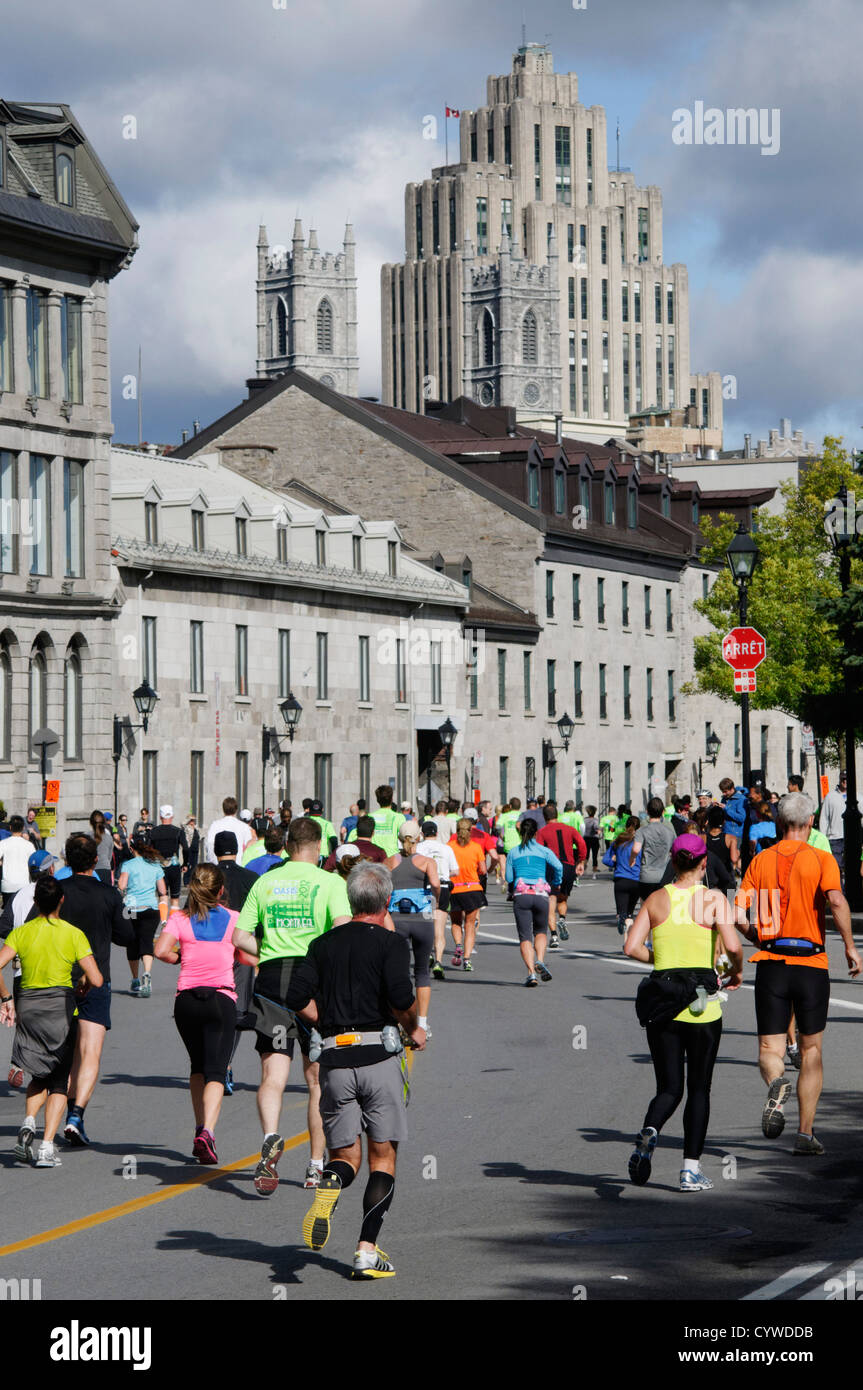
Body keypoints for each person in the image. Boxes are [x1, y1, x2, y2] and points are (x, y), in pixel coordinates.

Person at [288, 861, 425, 1279]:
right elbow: (402, 997)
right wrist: (414, 1028)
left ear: (350, 900)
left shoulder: (323, 944)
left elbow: (295, 995)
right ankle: (366, 1249)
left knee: (346, 1157)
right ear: (385, 901)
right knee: (382, 1158)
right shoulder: (390, 943)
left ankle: (330, 1181)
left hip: (334, 1060)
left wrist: (324, 1019)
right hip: (378, 1058)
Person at [737, 792, 861, 1155]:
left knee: (768, 1048)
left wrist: (754, 935)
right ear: (810, 823)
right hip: (811, 964)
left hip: (772, 962)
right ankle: (805, 1133)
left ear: (779, 823)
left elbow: (737, 910)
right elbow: (836, 901)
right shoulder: (821, 858)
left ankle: (777, 1082)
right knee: (811, 1050)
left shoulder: (760, 860)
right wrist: (851, 947)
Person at [236, 817, 351, 1195]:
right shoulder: (331, 882)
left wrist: (268, 949)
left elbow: (240, 936)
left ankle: (271, 1135)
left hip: (272, 981)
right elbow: (342, 930)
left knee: (273, 1076)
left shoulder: (265, 881)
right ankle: (316, 1165)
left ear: (286, 847)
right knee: (316, 1078)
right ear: (317, 847)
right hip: (312, 982)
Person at [624, 835, 744, 1191]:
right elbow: (734, 945)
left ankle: (650, 1130)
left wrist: (661, 962)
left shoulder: (656, 899)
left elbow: (631, 946)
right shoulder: (712, 899)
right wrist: (734, 971)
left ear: (673, 863)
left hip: (663, 1000)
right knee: (700, 1089)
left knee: (669, 1087)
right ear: (704, 863)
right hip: (701, 1003)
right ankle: (690, 1170)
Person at [155, 864, 260, 1164]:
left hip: (186, 1001)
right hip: (219, 999)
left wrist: (180, 957)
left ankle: (200, 1126)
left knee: (198, 1066)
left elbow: (162, 950)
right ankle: (208, 1134)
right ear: (222, 890)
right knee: (217, 1069)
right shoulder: (233, 920)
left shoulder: (179, 919)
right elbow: (249, 956)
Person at [0, 876, 102, 1168]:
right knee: (58, 1080)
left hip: (28, 1006)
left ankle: (29, 1121)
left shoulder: (22, 933)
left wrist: (6, 997)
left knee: (37, 1075)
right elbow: (96, 978)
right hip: (61, 1010)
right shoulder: (72, 934)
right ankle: (46, 1147)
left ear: (35, 902)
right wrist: (82, 979)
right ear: (62, 900)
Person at [53, 835, 132, 1146]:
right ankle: (76, 1115)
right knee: (90, 1052)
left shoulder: (59, 892)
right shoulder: (109, 894)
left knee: (65, 1052)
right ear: (95, 861)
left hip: (61, 978)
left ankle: (57, 1115)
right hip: (96, 978)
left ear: (68, 860)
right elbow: (125, 936)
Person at [212, 831, 259, 1095]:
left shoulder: (206, 875)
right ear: (238, 849)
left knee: (212, 1004)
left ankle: (215, 1062)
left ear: (216, 850)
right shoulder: (250, 877)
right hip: (241, 947)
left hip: (210, 948)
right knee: (237, 1007)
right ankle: (227, 1063)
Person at [385, 823, 440, 1037]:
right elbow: (435, 884)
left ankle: (400, 1020)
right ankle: (423, 1023)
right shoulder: (427, 861)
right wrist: (435, 898)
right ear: (419, 837)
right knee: (422, 971)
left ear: (399, 838)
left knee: (398, 971)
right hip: (422, 916)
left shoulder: (390, 861)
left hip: (396, 916)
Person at [506, 817, 562, 987]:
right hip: (540, 893)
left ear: (520, 832)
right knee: (540, 932)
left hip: (522, 894)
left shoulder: (514, 852)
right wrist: (556, 882)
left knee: (525, 936)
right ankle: (540, 960)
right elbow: (558, 866)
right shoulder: (544, 851)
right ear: (536, 832)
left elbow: (508, 877)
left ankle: (531, 973)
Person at [117, 835, 167, 997]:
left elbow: (122, 885)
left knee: (132, 942)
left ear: (132, 849)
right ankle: (147, 973)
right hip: (151, 908)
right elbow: (162, 891)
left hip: (132, 908)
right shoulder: (155, 865)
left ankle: (135, 978)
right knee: (146, 941)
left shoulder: (128, 864)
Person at [536, 802, 587, 945]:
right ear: (557, 815)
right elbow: (581, 843)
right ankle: (562, 919)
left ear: (544, 817)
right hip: (569, 867)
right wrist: (581, 861)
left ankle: (553, 936)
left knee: (551, 901)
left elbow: (539, 851)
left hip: (552, 867)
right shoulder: (569, 829)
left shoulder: (543, 832)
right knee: (563, 899)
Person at [418, 821, 459, 981]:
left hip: (426, 888)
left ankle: (427, 954)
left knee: (426, 924)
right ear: (436, 832)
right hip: (443, 887)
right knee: (439, 929)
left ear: (422, 833)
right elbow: (455, 870)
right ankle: (439, 961)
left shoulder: (419, 848)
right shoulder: (446, 848)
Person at [448, 818, 489, 972]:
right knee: (470, 925)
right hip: (472, 888)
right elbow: (483, 870)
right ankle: (467, 959)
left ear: (456, 831)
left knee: (456, 922)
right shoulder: (476, 847)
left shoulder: (449, 847)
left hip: (455, 889)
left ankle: (458, 944)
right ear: (470, 831)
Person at [630, 795, 676, 912]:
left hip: (647, 875)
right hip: (664, 876)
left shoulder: (642, 831)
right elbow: (675, 850)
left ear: (647, 812)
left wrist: (632, 859)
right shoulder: (669, 832)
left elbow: (636, 849)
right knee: (661, 910)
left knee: (646, 909)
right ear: (662, 812)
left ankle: (647, 929)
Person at [603, 816, 643, 935]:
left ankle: (621, 918)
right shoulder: (640, 843)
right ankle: (627, 943)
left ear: (626, 826)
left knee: (622, 912)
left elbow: (606, 860)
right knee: (630, 914)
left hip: (621, 879)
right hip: (636, 880)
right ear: (639, 828)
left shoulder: (619, 840)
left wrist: (616, 862)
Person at [148, 806, 188, 910]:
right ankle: (173, 924)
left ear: (160, 816)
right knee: (175, 899)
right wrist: (185, 864)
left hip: (159, 867)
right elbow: (186, 849)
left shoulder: (153, 832)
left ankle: (164, 922)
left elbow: (147, 849)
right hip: (174, 866)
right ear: (172, 816)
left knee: (162, 897)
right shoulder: (178, 831)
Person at [205, 796, 253, 865]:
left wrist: (213, 863)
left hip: (218, 866)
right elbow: (248, 848)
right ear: (236, 810)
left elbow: (209, 845)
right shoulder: (244, 827)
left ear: (223, 809)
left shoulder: (215, 825)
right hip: (238, 865)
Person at [0, 817, 36, 908]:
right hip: (24, 884)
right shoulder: (29, 845)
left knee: (8, 915)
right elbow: (34, 863)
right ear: (23, 827)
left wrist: (2, 862)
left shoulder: (3, 843)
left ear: (10, 827)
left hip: (7, 885)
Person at [818, 773, 847, 872]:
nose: (845, 781)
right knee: (836, 868)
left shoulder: (857, 797)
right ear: (840, 779)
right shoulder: (830, 797)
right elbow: (824, 818)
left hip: (852, 838)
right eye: (843, 779)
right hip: (835, 838)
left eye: (847, 779)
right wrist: (823, 837)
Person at [582, 806, 601, 876]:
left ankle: (584, 866)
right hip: (594, 838)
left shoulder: (584, 820)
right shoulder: (595, 820)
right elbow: (596, 827)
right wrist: (598, 830)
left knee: (586, 855)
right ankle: (594, 868)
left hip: (586, 838)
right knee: (594, 855)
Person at [184, 816, 200, 884]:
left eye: (193, 820)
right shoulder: (186, 827)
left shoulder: (196, 828)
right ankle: (186, 881)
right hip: (189, 848)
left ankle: (192, 880)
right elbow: (182, 824)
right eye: (191, 820)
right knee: (188, 865)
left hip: (195, 849)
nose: (192, 822)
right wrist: (188, 819)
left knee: (194, 865)